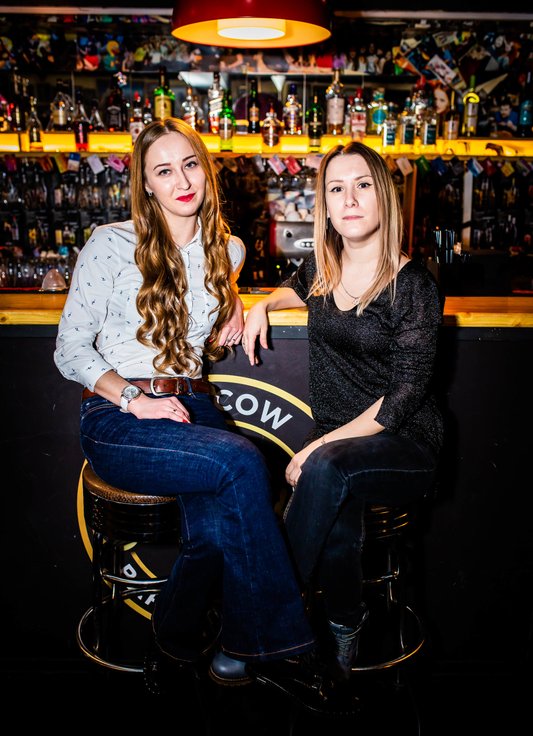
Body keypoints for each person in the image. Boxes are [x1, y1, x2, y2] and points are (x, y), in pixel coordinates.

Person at [54, 118, 320, 701]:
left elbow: (208, 312)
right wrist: (135, 400)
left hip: (194, 403)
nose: (181, 181)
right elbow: (69, 349)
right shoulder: (110, 243)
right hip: (118, 415)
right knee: (243, 462)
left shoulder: (230, 250)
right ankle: (277, 648)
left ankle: (172, 640)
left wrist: (242, 304)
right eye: (164, 171)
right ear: (146, 185)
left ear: (206, 169)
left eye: (190, 164)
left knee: (218, 530)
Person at [243, 141, 443, 681]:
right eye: (336, 188)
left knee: (327, 470)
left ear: (384, 197)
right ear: (326, 206)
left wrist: (318, 447)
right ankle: (342, 633)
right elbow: (292, 288)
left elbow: (403, 398)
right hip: (341, 446)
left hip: (406, 443)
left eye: (362, 185)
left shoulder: (414, 286)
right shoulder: (323, 268)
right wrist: (261, 303)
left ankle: (267, 621)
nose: (349, 198)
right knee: (335, 507)